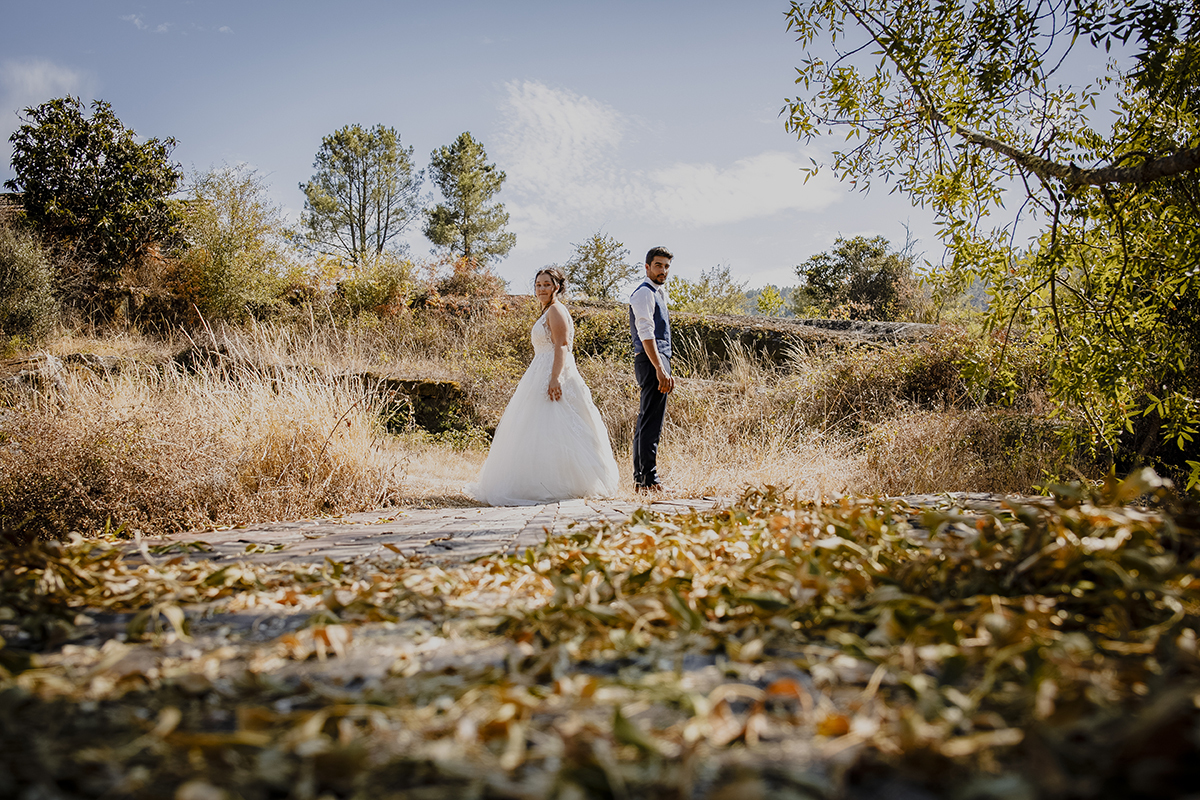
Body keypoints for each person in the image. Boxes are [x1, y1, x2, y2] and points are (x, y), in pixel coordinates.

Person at [466, 267, 620, 506]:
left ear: (557, 287)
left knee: (558, 424)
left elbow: (562, 345)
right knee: (538, 428)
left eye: (547, 284)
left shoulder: (556, 310)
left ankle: (568, 483)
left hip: (552, 371)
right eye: (538, 285)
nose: (541, 289)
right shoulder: (548, 310)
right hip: (540, 369)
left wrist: (555, 378)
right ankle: (537, 481)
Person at [629, 246, 675, 492]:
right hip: (651, 360)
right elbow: (646, 332)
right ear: (647, 267)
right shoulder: (644, 293)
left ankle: (641, 480)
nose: (663, 270)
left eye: (667, 266)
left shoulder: (658, 293)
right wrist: (660, 367)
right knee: (651, 422)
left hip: (656, 358)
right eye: (658, 265)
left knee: (647, 419)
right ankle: (649, 479)